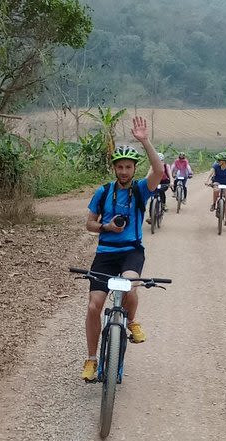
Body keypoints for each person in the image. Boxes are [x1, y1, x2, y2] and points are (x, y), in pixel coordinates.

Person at [80, 116, 164, 381]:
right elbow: (89, 225)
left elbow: (159, 171)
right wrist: (106, 227)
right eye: (120, 167)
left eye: (129, 167)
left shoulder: (140, 190)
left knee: (130, 284)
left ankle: (132, 321)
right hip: (105, 253)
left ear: (133, 169)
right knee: (94, 306)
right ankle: (92, 359)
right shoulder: (103, 192)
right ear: (115, 169)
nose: (124, 171)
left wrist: (144, 140)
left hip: (131, 251)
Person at [206, 153, 226, 226]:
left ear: (224, 161)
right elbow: (210, 174)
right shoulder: (216, 165)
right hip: (217, 182)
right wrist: (207, 181)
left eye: (219, 160)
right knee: (216, 190)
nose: (218, 161)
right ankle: (214, 204)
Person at [146, 153, 173, 224]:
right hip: (155, 181)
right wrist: (144, 182)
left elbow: (170, 174)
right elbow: (148, 175)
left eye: (160, 161)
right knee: (153, 198)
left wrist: (171, 182)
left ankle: (163, 204)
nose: (159, 162)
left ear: (163, 160)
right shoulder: (152, 166)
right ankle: (151, 216)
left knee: (161, 192)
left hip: (164, 182)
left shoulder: (166, 166)